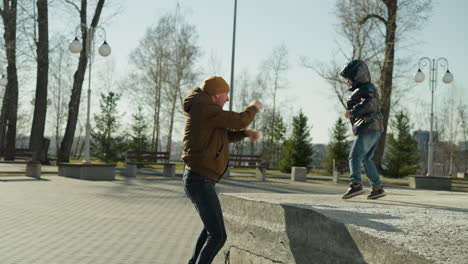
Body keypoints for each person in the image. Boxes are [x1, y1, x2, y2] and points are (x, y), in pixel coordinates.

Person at [181, 76, 262, 264]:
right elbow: (238, 120)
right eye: (226, 95)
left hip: (198, 178)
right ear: (216, 95)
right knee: (218, 236)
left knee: (210, 230)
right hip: (199, 179)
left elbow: (222, 134)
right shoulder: (205, 108)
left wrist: (244, 133)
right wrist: (253, 108)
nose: (227, 99)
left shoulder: (205, 109)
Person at [339, 59, 386, 200]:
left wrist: (352, 112)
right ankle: (377, 188)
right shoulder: (366, 89)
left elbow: (369, 103)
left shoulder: (367, 89)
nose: (347, 82)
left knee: (354, 156)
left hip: (368, 127)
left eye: (349, 79)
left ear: (357, 77)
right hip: (373, 128)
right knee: (366, 159)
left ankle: (355, 185)